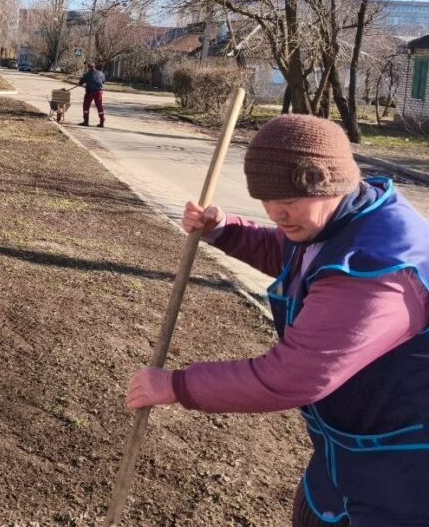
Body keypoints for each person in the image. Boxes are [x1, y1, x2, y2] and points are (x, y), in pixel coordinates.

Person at [125, 114, 429, 527]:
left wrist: (176, 385)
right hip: (347, 450)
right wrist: (225, 231)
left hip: (405, 473)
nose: (276, 214)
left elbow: (293, 375)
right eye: (266, 199)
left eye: (288, 200)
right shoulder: (343, 218)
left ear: (331, 183)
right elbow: (294, 256)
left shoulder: (377, 269)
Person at [77, 61, 106, 127]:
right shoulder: (101, 73)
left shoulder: (87, 74)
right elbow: (103, 81)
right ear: (94, 67)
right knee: (99, 106)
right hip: (99, 92)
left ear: (89, 68)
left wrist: (82, 83)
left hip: (90, 92)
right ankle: (102, 122)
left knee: (86, 105)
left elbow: (80, 83)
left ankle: (86, 121)